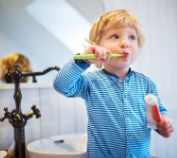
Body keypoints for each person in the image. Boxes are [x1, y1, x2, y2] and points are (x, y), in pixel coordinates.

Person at [53, 9, 174, 158]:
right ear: (97, 46)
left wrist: (164, 122)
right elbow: (61, 85)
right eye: (115, 36)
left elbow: (157, 113)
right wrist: (84, 59)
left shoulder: (146, 84)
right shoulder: (91, 82)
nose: (125, 43)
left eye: (132, 37)